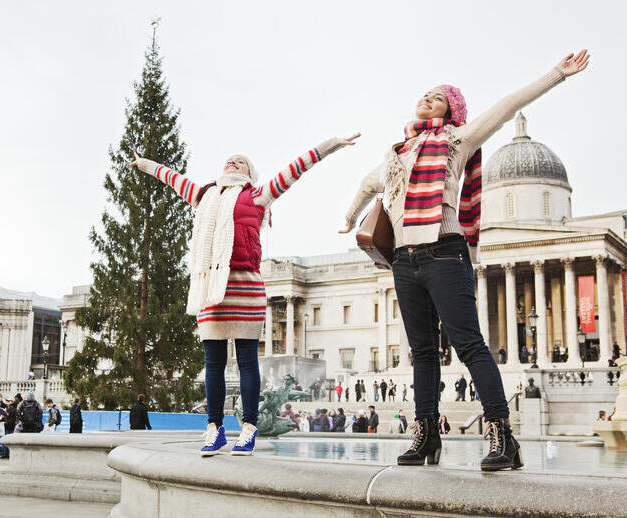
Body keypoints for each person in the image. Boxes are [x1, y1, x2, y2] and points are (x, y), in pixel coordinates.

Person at [340, 49, 590, 471]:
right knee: (421, 352)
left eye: (437, 98)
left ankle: (501, 435)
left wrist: (556, 75)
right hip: (404, 260)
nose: (427, 99)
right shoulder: (396, 154)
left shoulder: (458, 141)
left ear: (452, 110)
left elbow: (506, 106)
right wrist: (351, 215)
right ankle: (426, 436)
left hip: (444, 253)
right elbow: (368, 184)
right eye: (424, 95)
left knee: (470, 345)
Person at [129, 132, 358, 457]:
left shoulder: (259, 195)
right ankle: (214, 429)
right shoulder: (205, 195)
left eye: (241, 160)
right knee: (214, 364)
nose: (233, 161)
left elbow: (297, 169)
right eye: (229, 158)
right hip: (211, 287)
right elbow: (172, 178)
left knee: (249, 363)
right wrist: (145, 164)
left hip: (245, 285)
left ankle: (248, 428)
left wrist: (332, 144)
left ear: (250, 173)